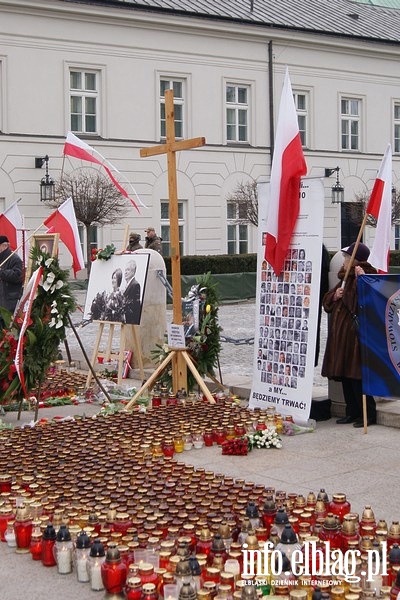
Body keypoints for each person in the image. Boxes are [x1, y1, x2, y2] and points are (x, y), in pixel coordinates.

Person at [321, 242, 377, 427]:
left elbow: (361, 303)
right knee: (345, 376)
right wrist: (334, 295)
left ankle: (367, 414)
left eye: (346, 258)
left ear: (356, 260)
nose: (343, 261)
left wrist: (362, 281)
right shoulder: (345, 277)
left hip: (356, 337)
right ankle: (351, 412)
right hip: (342, 337)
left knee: (357, 378)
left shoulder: (366, 275)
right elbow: (327, 302)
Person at [0, 235, 23, 327]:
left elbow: (17, 275)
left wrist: (1, 272)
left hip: (10, 301)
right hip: (1, 299)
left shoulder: (14, 259)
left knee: (7, 328)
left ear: (5, 246)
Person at [123, 259, 141, 324]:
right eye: (125, 270)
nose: (125, 272)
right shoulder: (127, 284)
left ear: (133, 272)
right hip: (127, 320)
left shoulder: (135, 285)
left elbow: (136, 306)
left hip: (131, 321)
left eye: (128, 270)